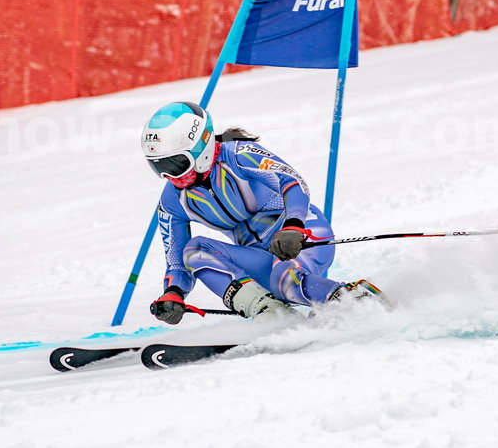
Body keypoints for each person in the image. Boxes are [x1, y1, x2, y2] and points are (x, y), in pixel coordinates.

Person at [141, 100, 381, 324]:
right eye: (158, 167)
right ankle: (271, 314)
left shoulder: (238, 155)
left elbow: (292, 182)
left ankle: (356, 299)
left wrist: (293, 226)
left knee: (285, 277)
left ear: (200, 148)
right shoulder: (173, 199)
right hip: (260, 257)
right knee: (194, 251)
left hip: (302, 236)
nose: (170, 177)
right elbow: (176, 260)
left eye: (176, 164)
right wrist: (173, 293)